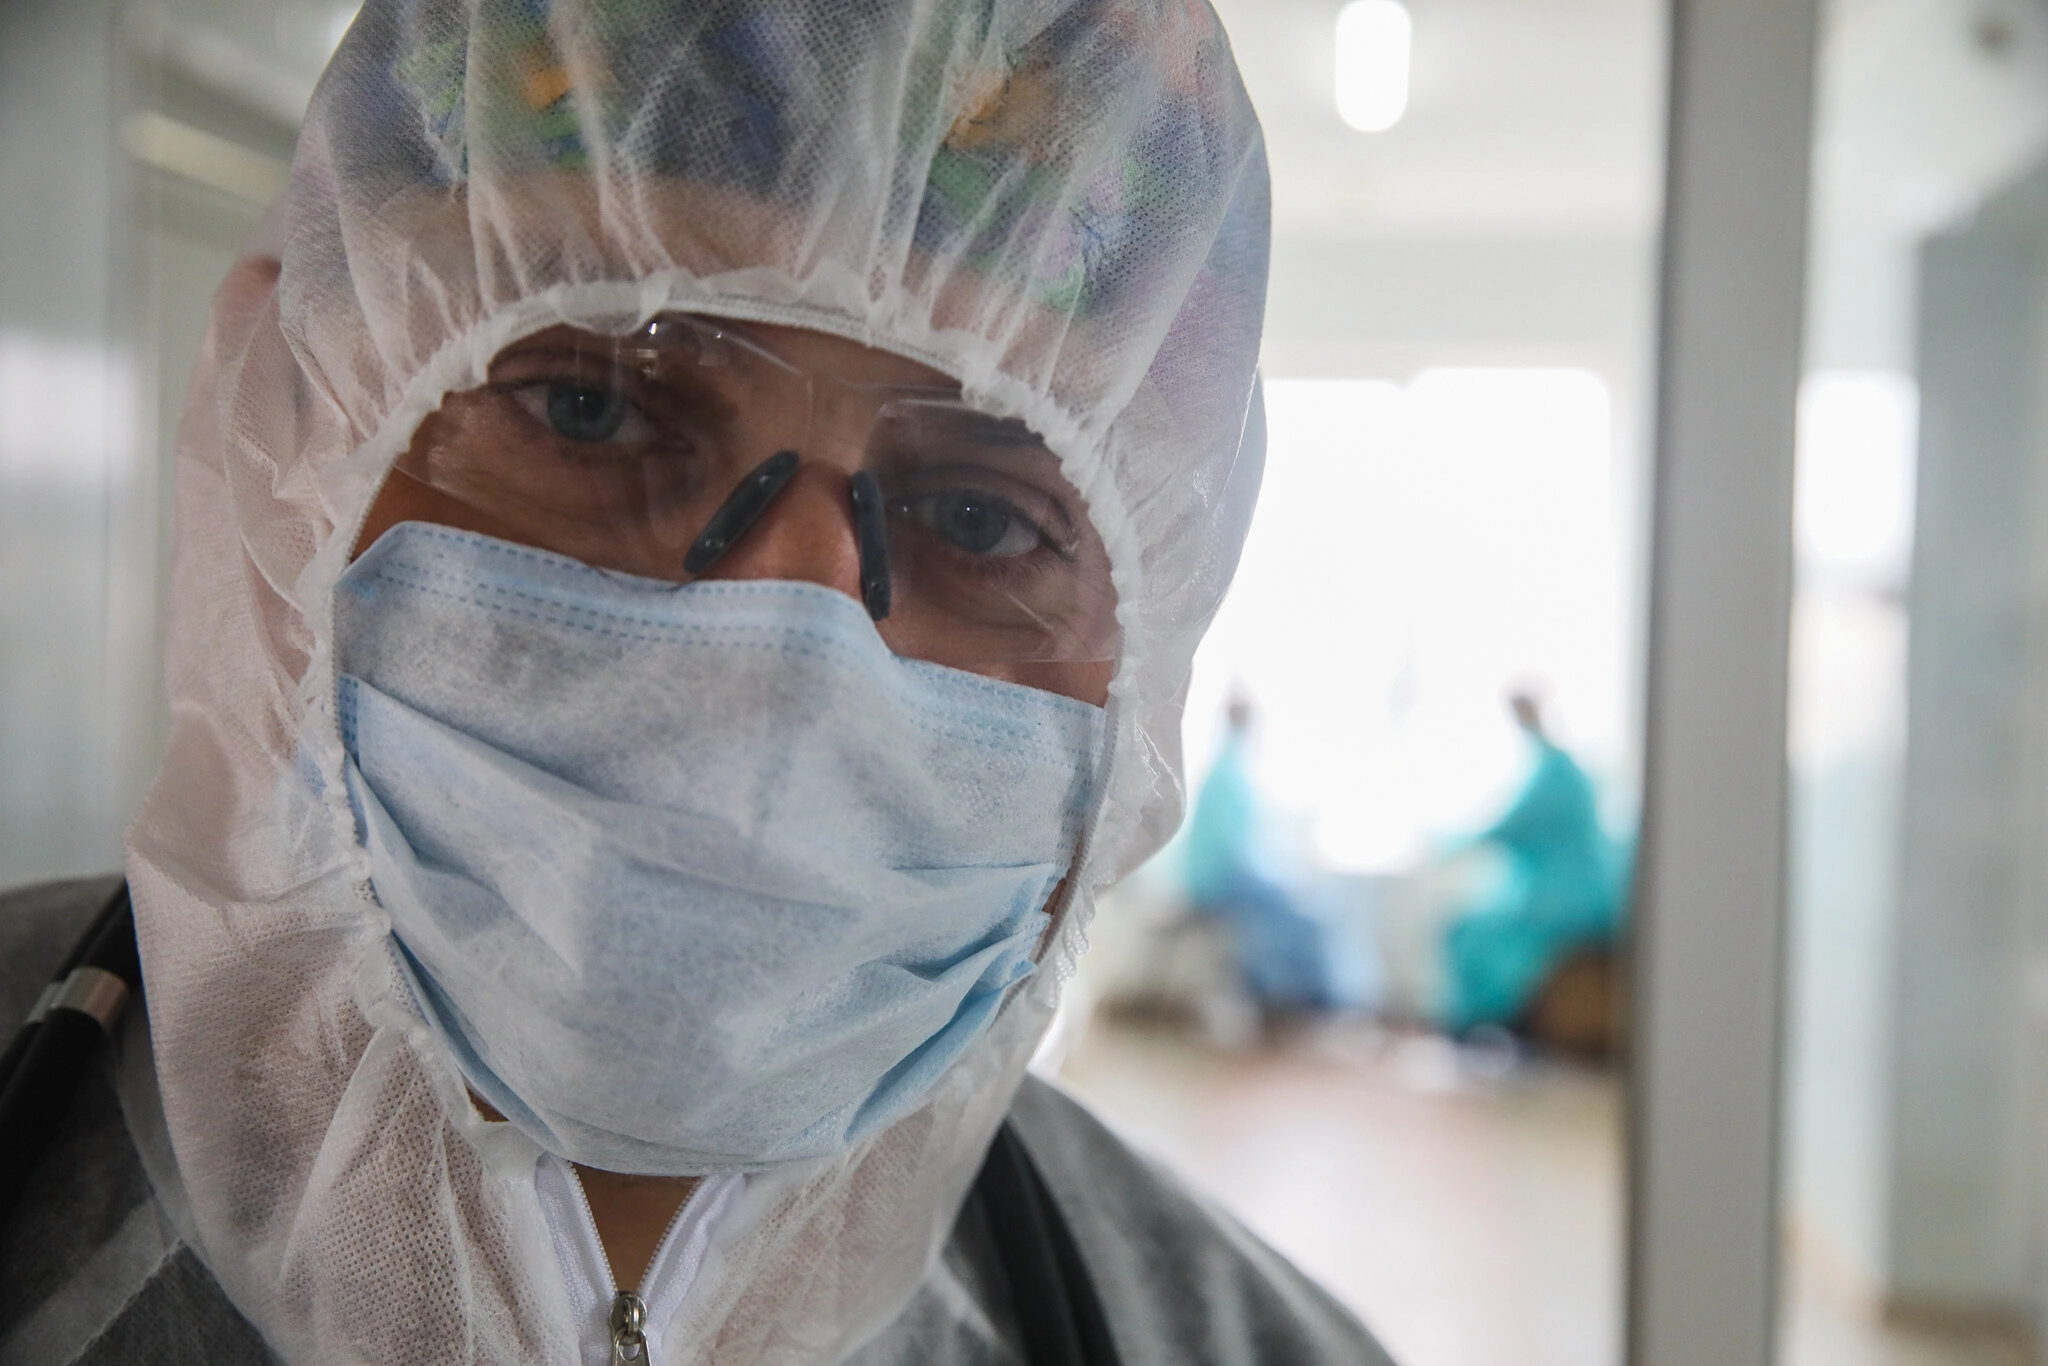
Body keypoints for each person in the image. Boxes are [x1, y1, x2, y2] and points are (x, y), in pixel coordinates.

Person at [0, 3, 1398, 1363]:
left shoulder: (1223, 1333)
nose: (781, 648)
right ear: (288, 436)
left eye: (980, 520)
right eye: (589, 407)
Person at [1440, 690, 1624, 1037]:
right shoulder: (1553, 769)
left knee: (1472, 936)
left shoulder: (1557, 774)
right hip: (1560, 893)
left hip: (1567, 900)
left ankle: (1490, 1027)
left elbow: (1512, 824)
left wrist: (1449, 845)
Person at [1183, 695, 1348, 1013]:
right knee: (1302, 920)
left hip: (1221, 877)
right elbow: (1235, 853)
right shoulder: (1230, 774)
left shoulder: (1227, 769)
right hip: (1219, 880)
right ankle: (1310, 1006)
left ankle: (1293, 1001)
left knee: (1290, 914)